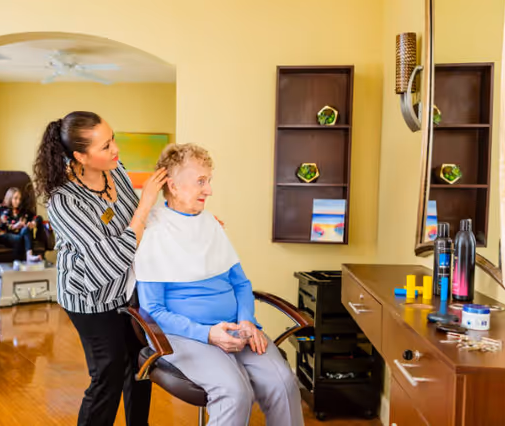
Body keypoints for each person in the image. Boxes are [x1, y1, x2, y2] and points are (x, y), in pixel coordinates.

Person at [135, 143, 303, 426]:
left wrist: (247, 320)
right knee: (234, 392)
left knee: (283, 382)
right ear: (173, 186)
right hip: (184, 335)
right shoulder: (152, 231)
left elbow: (241, 283)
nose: (209, 190)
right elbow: (153, 309)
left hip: (236, 328)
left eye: (209, 181)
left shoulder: (210, 224)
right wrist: (208, 334)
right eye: (201, 181)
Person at [32, 111, 167, 426]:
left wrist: (191, 224)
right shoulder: (64, 201)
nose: (116, 150)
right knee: (107, 374)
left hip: (127, 287)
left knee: (139, 363)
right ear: (80, 156)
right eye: (105, 146)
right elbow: (110, 259)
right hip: (90, 296)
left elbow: (136, 221)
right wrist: (146, 202)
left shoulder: (115, 169)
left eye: (113, 138)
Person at [0, 187, 42, 263]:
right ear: (9, 197)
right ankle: (17, 261)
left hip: (18, 234)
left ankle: (29, 256)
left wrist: (33, 223)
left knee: (26, 230)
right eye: (15, 198)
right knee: (19, 239)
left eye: (19, 199)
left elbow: (38, 218)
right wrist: (13, 226)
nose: (18, 201)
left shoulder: (23, 211)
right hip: (3, 234)